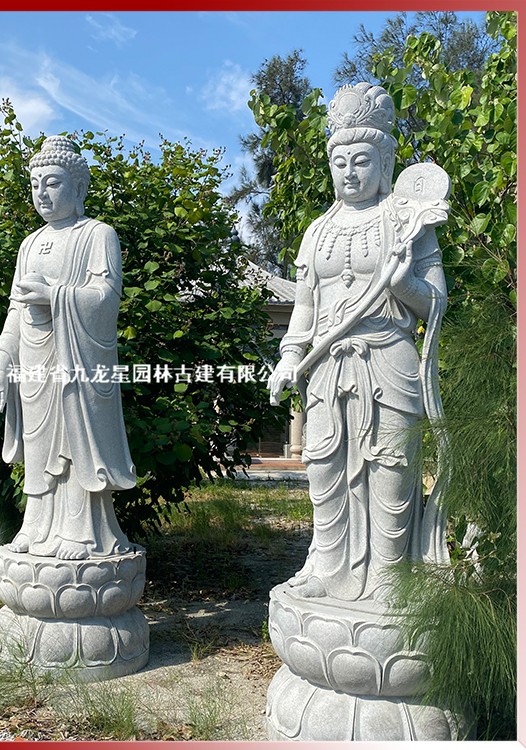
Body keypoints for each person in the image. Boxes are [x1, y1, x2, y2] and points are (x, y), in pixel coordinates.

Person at [268, 83, 448, 601]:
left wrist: (404, 283)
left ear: (385, 162)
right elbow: (305, 309)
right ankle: (328, 568)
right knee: (324, 466)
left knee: (391, 467)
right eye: (340, 161)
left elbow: (436, 302)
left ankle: (390, 576)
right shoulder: (317, 231)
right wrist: (289, 356)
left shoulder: (409, 223)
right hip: (328, 366)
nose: (349, 172)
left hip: (389, 358)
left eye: (362, 160)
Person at [0, 135, 136, 561]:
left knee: (74, 441)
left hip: (77, 362)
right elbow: (16, 310)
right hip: (34, 362)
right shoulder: (29, 244)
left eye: (52, 183)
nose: (42, 194)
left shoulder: (97, 234)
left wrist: (56, 296)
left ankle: (82, 533)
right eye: (35, 185)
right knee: (39, 445)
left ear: (78, 186)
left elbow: (106, 297)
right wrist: (0, 362)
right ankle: (36, 525)